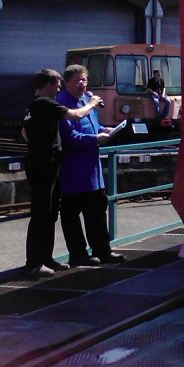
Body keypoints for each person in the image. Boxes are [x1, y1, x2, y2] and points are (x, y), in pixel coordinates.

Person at [21, 68, 105, 277]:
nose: (59, 88)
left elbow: (24, 131)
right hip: (44, 165)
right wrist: (93, 103)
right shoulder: (45, 103)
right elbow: (75, 116)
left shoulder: (32, 106)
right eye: (57, 84)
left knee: (50, 214)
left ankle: (46, 258)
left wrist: (37, 143)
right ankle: (34, 263)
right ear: (48, 84)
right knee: (41, 214)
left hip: (46, 162)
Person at [57, 64, 125, 266]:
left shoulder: (88, 100)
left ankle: (103, 250)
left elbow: (92, 125)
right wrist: (96, 139)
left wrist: (107, 129)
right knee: (72, 216)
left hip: (93, 171)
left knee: (96, 211)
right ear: (66, 82)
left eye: (84, 80)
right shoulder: (62, 104)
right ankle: (78, 254)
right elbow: (70, 137)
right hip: (73, 171)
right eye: (77, 80)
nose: (82, 84)